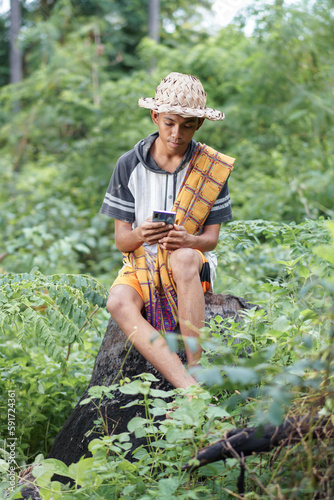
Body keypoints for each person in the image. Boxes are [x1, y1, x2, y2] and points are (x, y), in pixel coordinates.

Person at [100, 72, 235, 392]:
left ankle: (196, 365)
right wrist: (142, 234)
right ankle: (187, 386)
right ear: (155, 116)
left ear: (199, 125)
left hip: (187, 263)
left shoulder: (211, 168)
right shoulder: (128, 164)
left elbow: (210, 240)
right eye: (170, 123)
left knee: (185, 258)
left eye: (187, 125)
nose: (177, 133)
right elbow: (122, 240)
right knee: (118, 301)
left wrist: (189, 240)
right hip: (139, 264)